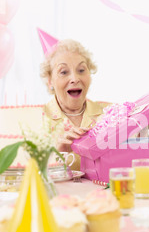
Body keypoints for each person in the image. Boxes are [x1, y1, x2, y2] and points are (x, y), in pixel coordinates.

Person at [41, 39, 111, 171]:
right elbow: (28, 176)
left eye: (81, 70)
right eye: (63, 72)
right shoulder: (36, 118)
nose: (74, 78)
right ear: (50, 81)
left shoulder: (110, 113)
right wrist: (58, 155)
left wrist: (140, 129)